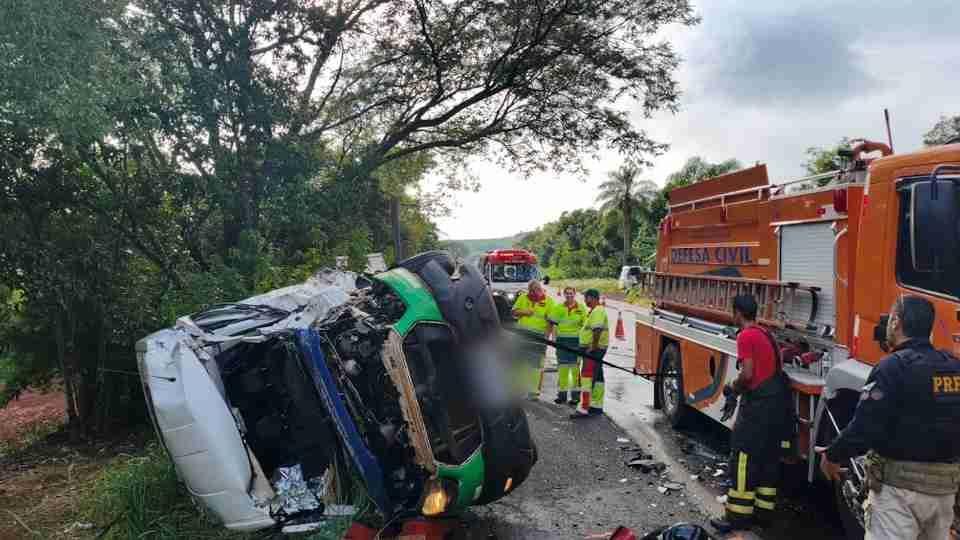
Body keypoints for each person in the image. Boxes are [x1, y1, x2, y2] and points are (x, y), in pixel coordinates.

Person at [817, 295, 960, 540]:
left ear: (895, 322)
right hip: (943, 492)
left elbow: (864, 427)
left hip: (899, 492)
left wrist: (832, 455)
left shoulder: (892, 367)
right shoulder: (953, 367)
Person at [710, 294, 793, 533]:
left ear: (737, 312)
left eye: (732, 312)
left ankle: (737, 517)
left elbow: (747, 374)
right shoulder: (766, 333)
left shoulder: (746, 335)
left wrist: (733, 388)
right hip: (776, 406)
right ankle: (763, 515)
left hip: (757, 407)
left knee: (743, 458)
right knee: (768, 458)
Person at [511, 280, 554, 400]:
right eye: (531, 292)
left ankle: (533, 392)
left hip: (538, 337)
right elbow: (514, 312)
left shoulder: (549, 302)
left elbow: (551, 322)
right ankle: (516, 389)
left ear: (540, 290)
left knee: (535, 365)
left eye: (536, 292)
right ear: (529, 291)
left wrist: (547, 337)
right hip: (522, 335)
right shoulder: (523, 298)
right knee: (518, 363)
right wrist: (524, 312)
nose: (534, 295)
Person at [571, 289, 609, 418]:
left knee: (587, 377)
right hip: (596, 349)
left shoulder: (598, 310)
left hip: (593, 350)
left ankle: (583, 408)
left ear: (592, 298)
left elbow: (597, 330)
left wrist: (592, 347)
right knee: (598, 377)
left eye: (586, 298)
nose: (585, 301)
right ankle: (596, 405)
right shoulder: (595, 311)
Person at [547, 286, 587, 405]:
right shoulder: (559, 307)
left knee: (575, 370)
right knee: (563, 369)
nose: (569, 295)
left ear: (575, 294)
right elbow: (553, 324)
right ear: (564, 294)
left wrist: (583, 342)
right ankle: (562, 396)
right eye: (567, 293)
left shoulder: (581, 308)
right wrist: (554, 340)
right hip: (562, 341)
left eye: (571, 293)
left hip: (576, 342)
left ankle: (575, 397)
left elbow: (585, 326)